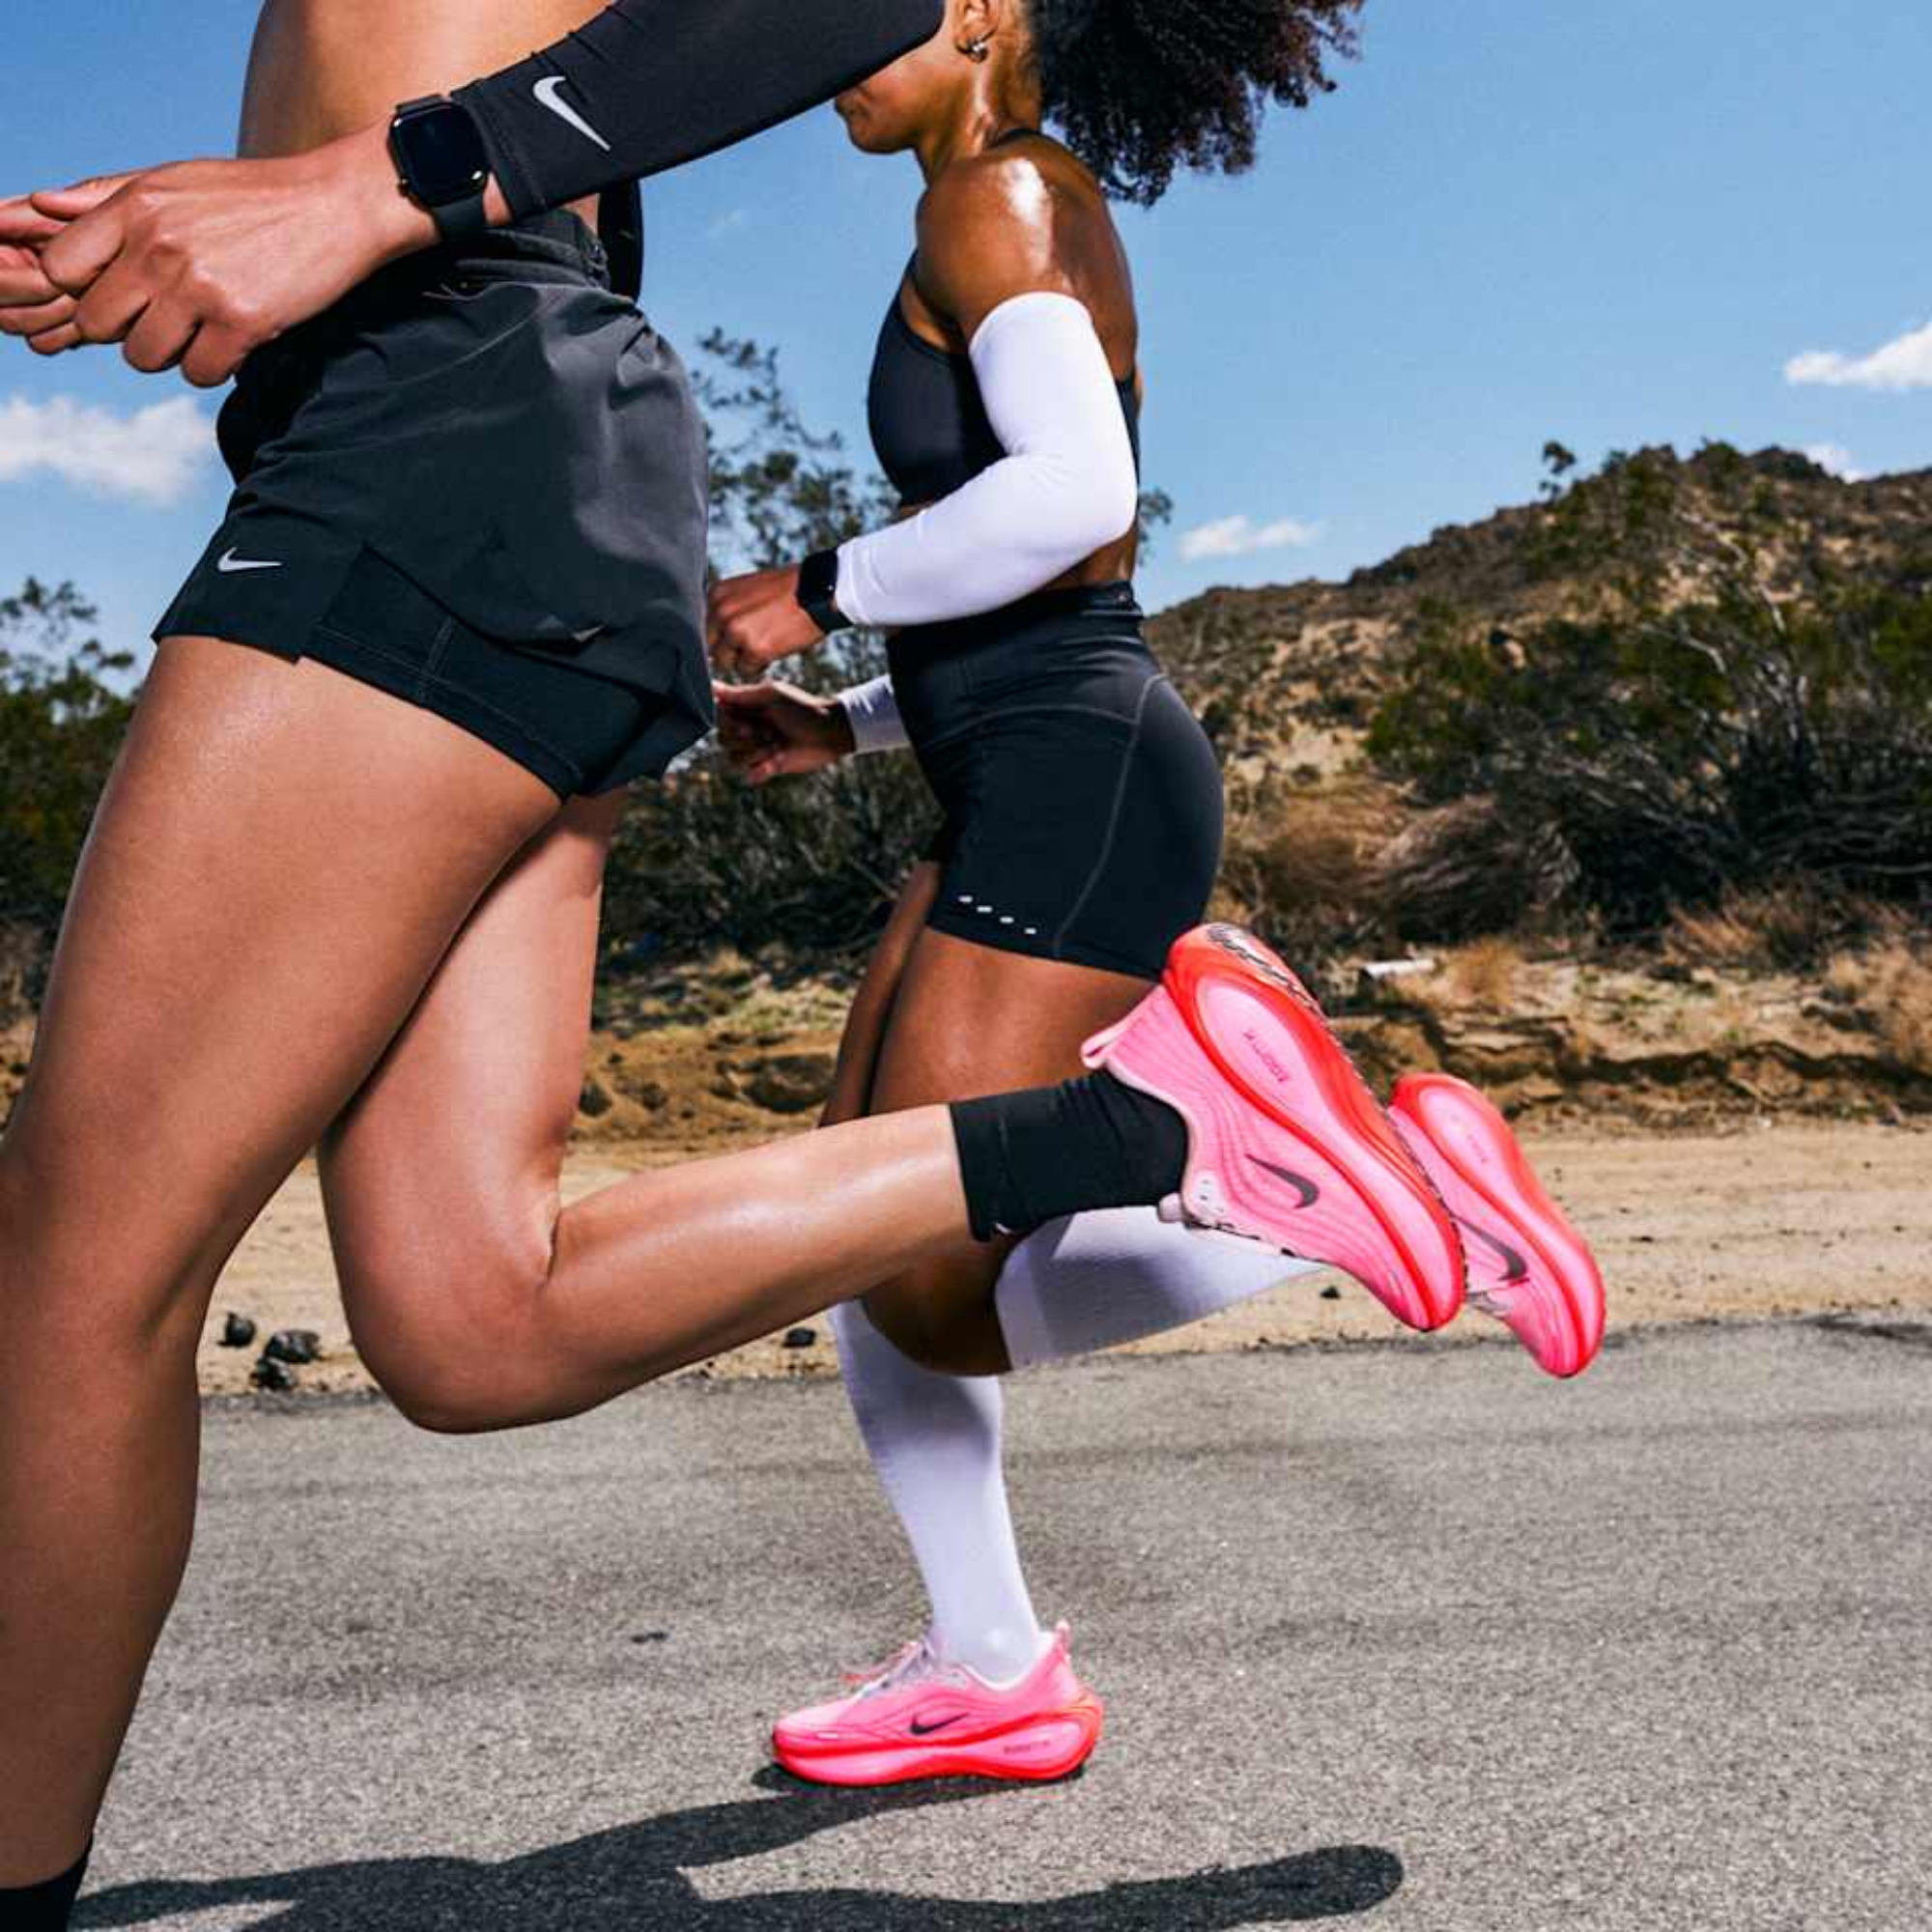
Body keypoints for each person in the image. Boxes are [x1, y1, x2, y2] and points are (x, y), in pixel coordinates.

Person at [0, 1, 1472, 1918]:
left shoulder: (999, 204)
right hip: (514, 461)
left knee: (74, 1271)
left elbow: (1060, 482)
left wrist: (374, 180)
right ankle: (1145, 1147)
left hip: (438, 431)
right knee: (470, 1317)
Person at [704, 0, 1605, 1788]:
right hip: (1030, 764)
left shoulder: (1005, 201)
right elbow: (1046, 587)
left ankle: (1299, 1184)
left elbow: (1078, 497)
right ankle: (990, 1667)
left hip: (1076, 780)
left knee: (924, 1266)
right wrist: (857, 720)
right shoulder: (992, 201)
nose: (823, 49)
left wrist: (818, 580)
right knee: (854, 1233)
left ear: (980, 14)